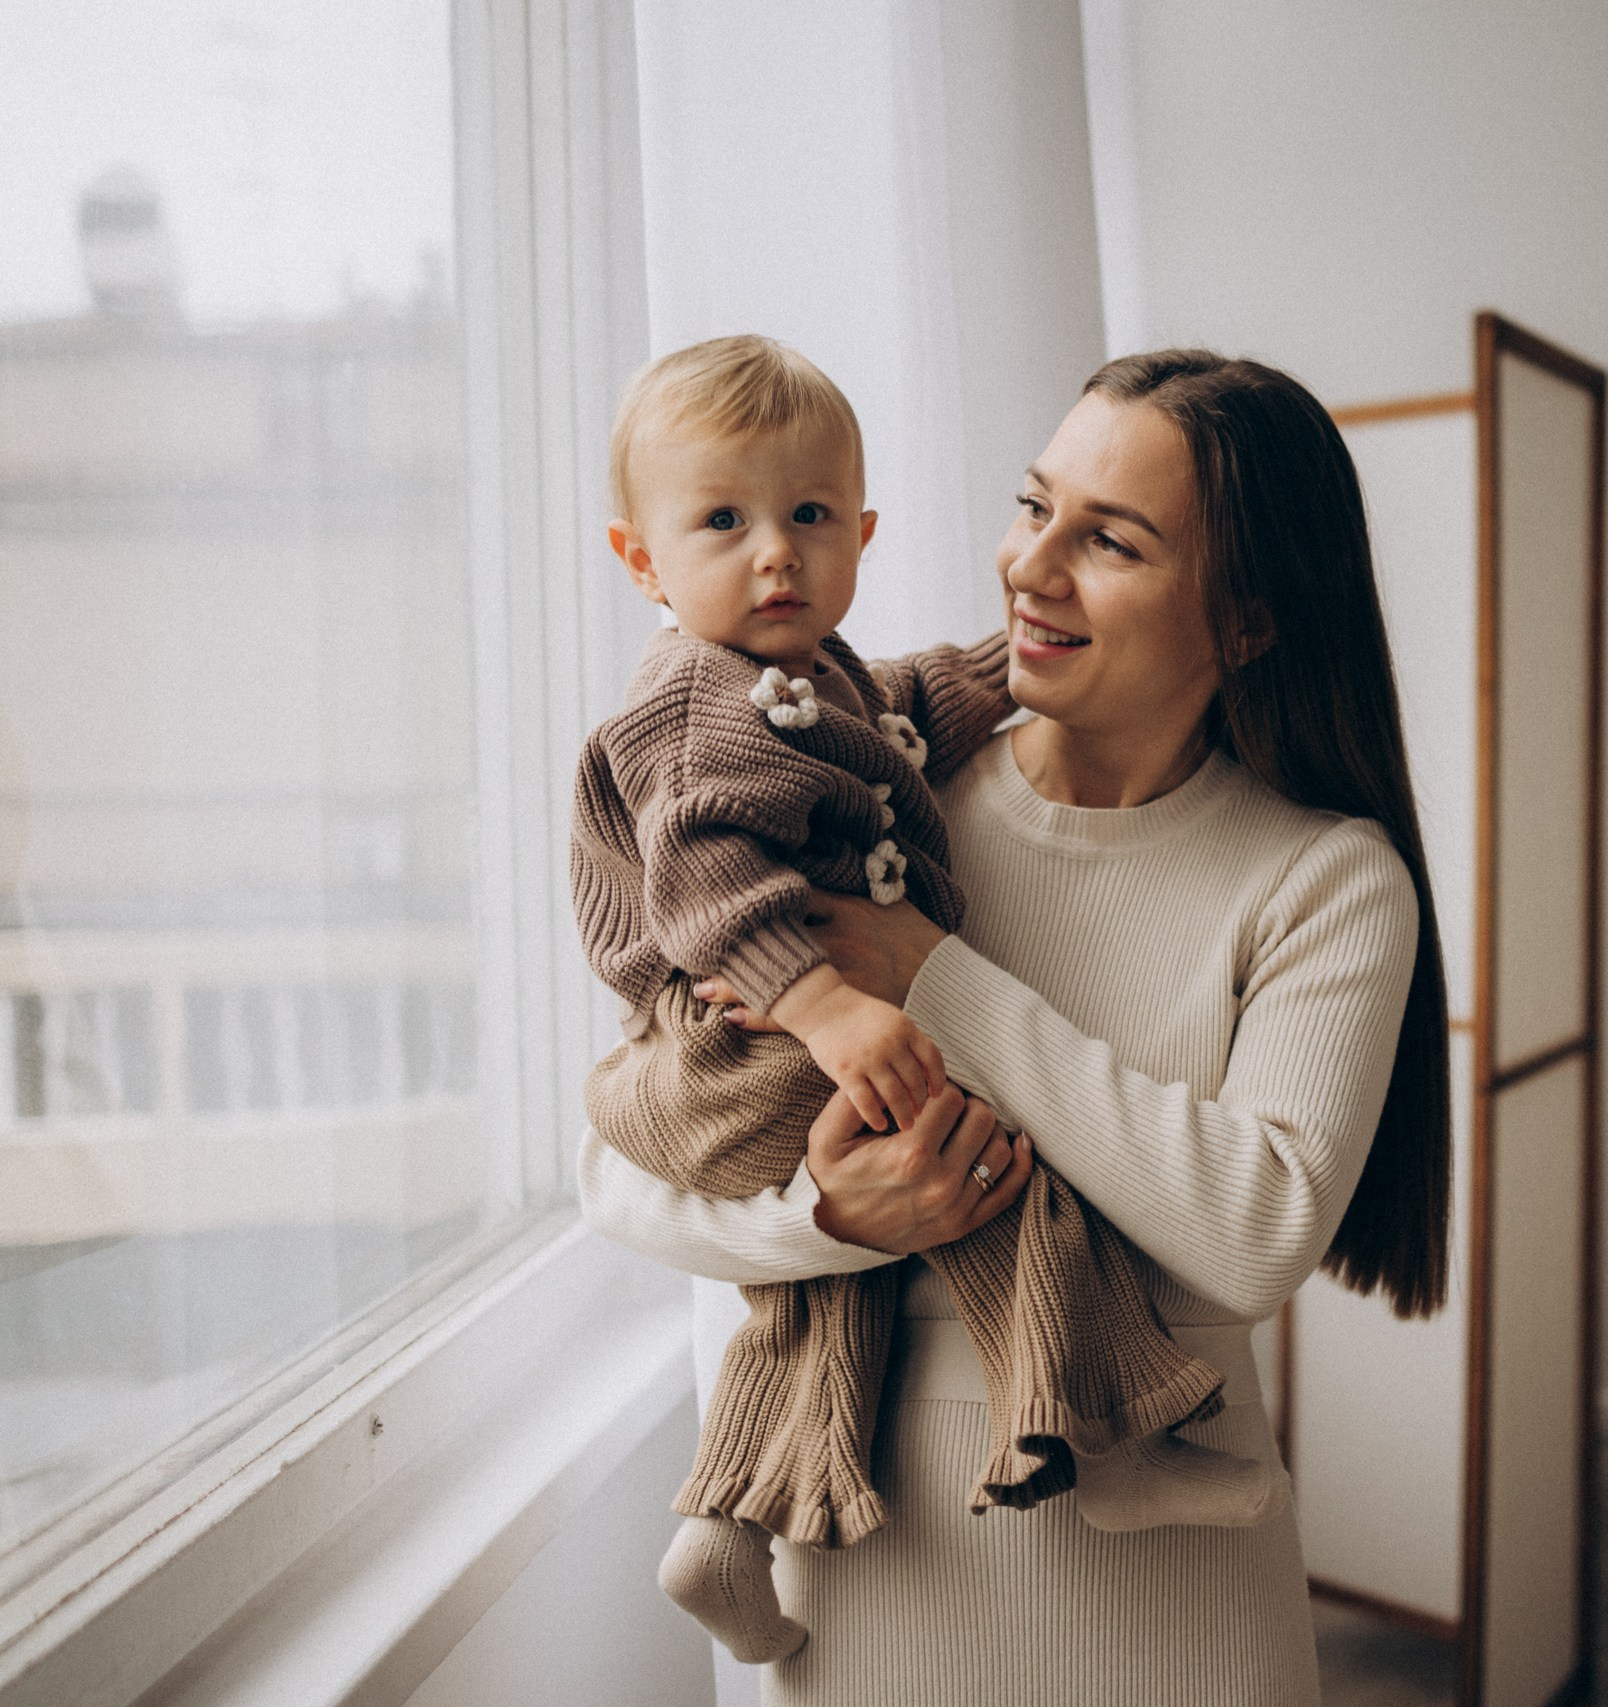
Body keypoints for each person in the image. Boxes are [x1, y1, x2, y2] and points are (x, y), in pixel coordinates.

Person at [581, 348, 1451, 1705]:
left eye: (1109, 541)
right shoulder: (867, 799)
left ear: (1250, 621)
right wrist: (831, 1219)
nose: (1031, 569)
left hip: (1182, 1608)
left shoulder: (1323, 880)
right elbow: (624, 1164)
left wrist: (937, 978)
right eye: (1033, 507)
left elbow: (1256, 1236)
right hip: (870, 1562)